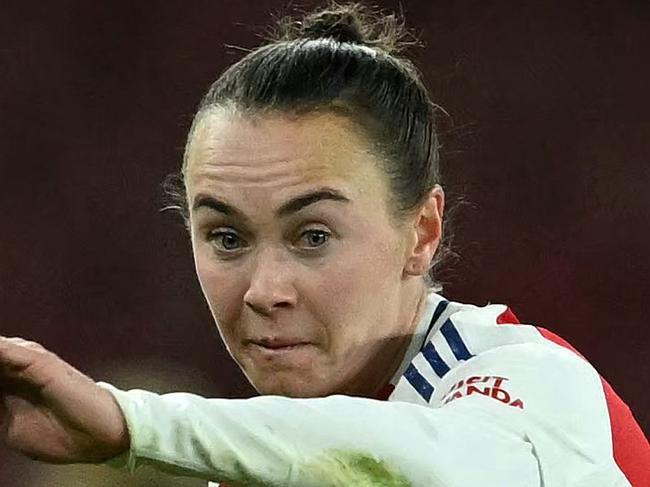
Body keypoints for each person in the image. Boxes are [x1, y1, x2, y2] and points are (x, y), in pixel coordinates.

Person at [1, 2, 648, 486]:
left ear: (421, 234)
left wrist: (131, 423)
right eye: (226, 237)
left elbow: (434, 463)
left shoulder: (534, 387)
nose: (264, 290)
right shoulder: (270, 465)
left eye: (313, 236)